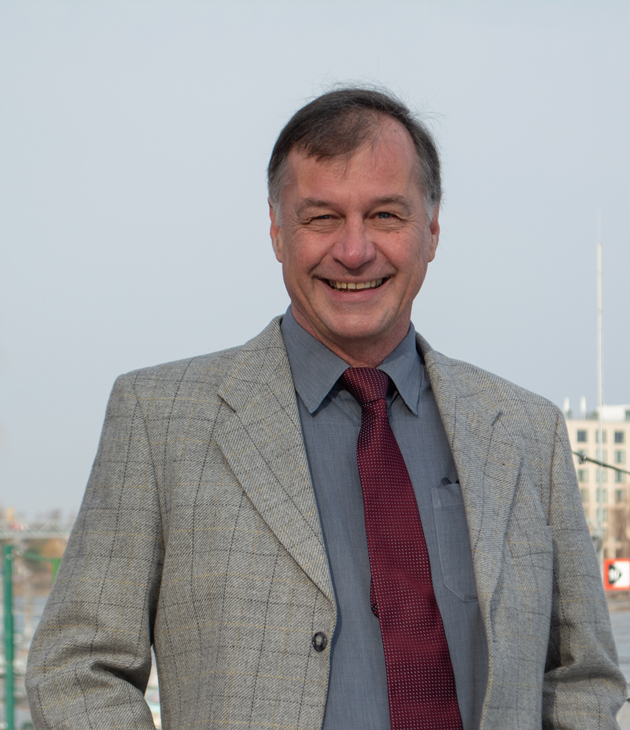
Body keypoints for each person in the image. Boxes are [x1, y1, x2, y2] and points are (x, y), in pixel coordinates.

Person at [26, 87, 625, 730]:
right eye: (322, 219)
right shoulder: (159, 420)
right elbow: (77, 670)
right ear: (278, 232)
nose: (355, 250)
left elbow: (580, 679)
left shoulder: (526, 433)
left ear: (433, 231)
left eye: (387, 215)